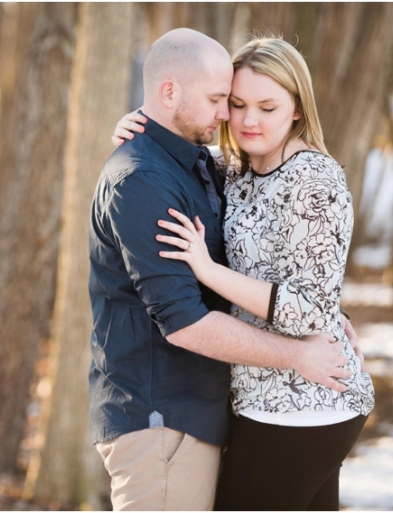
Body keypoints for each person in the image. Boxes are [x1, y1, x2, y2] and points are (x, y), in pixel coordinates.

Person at [89, 28, 357, 511]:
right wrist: (139, 124)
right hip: (224, 406)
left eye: (267, 107)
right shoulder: (231, 168)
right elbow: (170, 145)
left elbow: (311, 298)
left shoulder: (310, 177)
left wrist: (211, 272)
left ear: (298, 108)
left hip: (303, 403)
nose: (240, 118)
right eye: (231, 102)